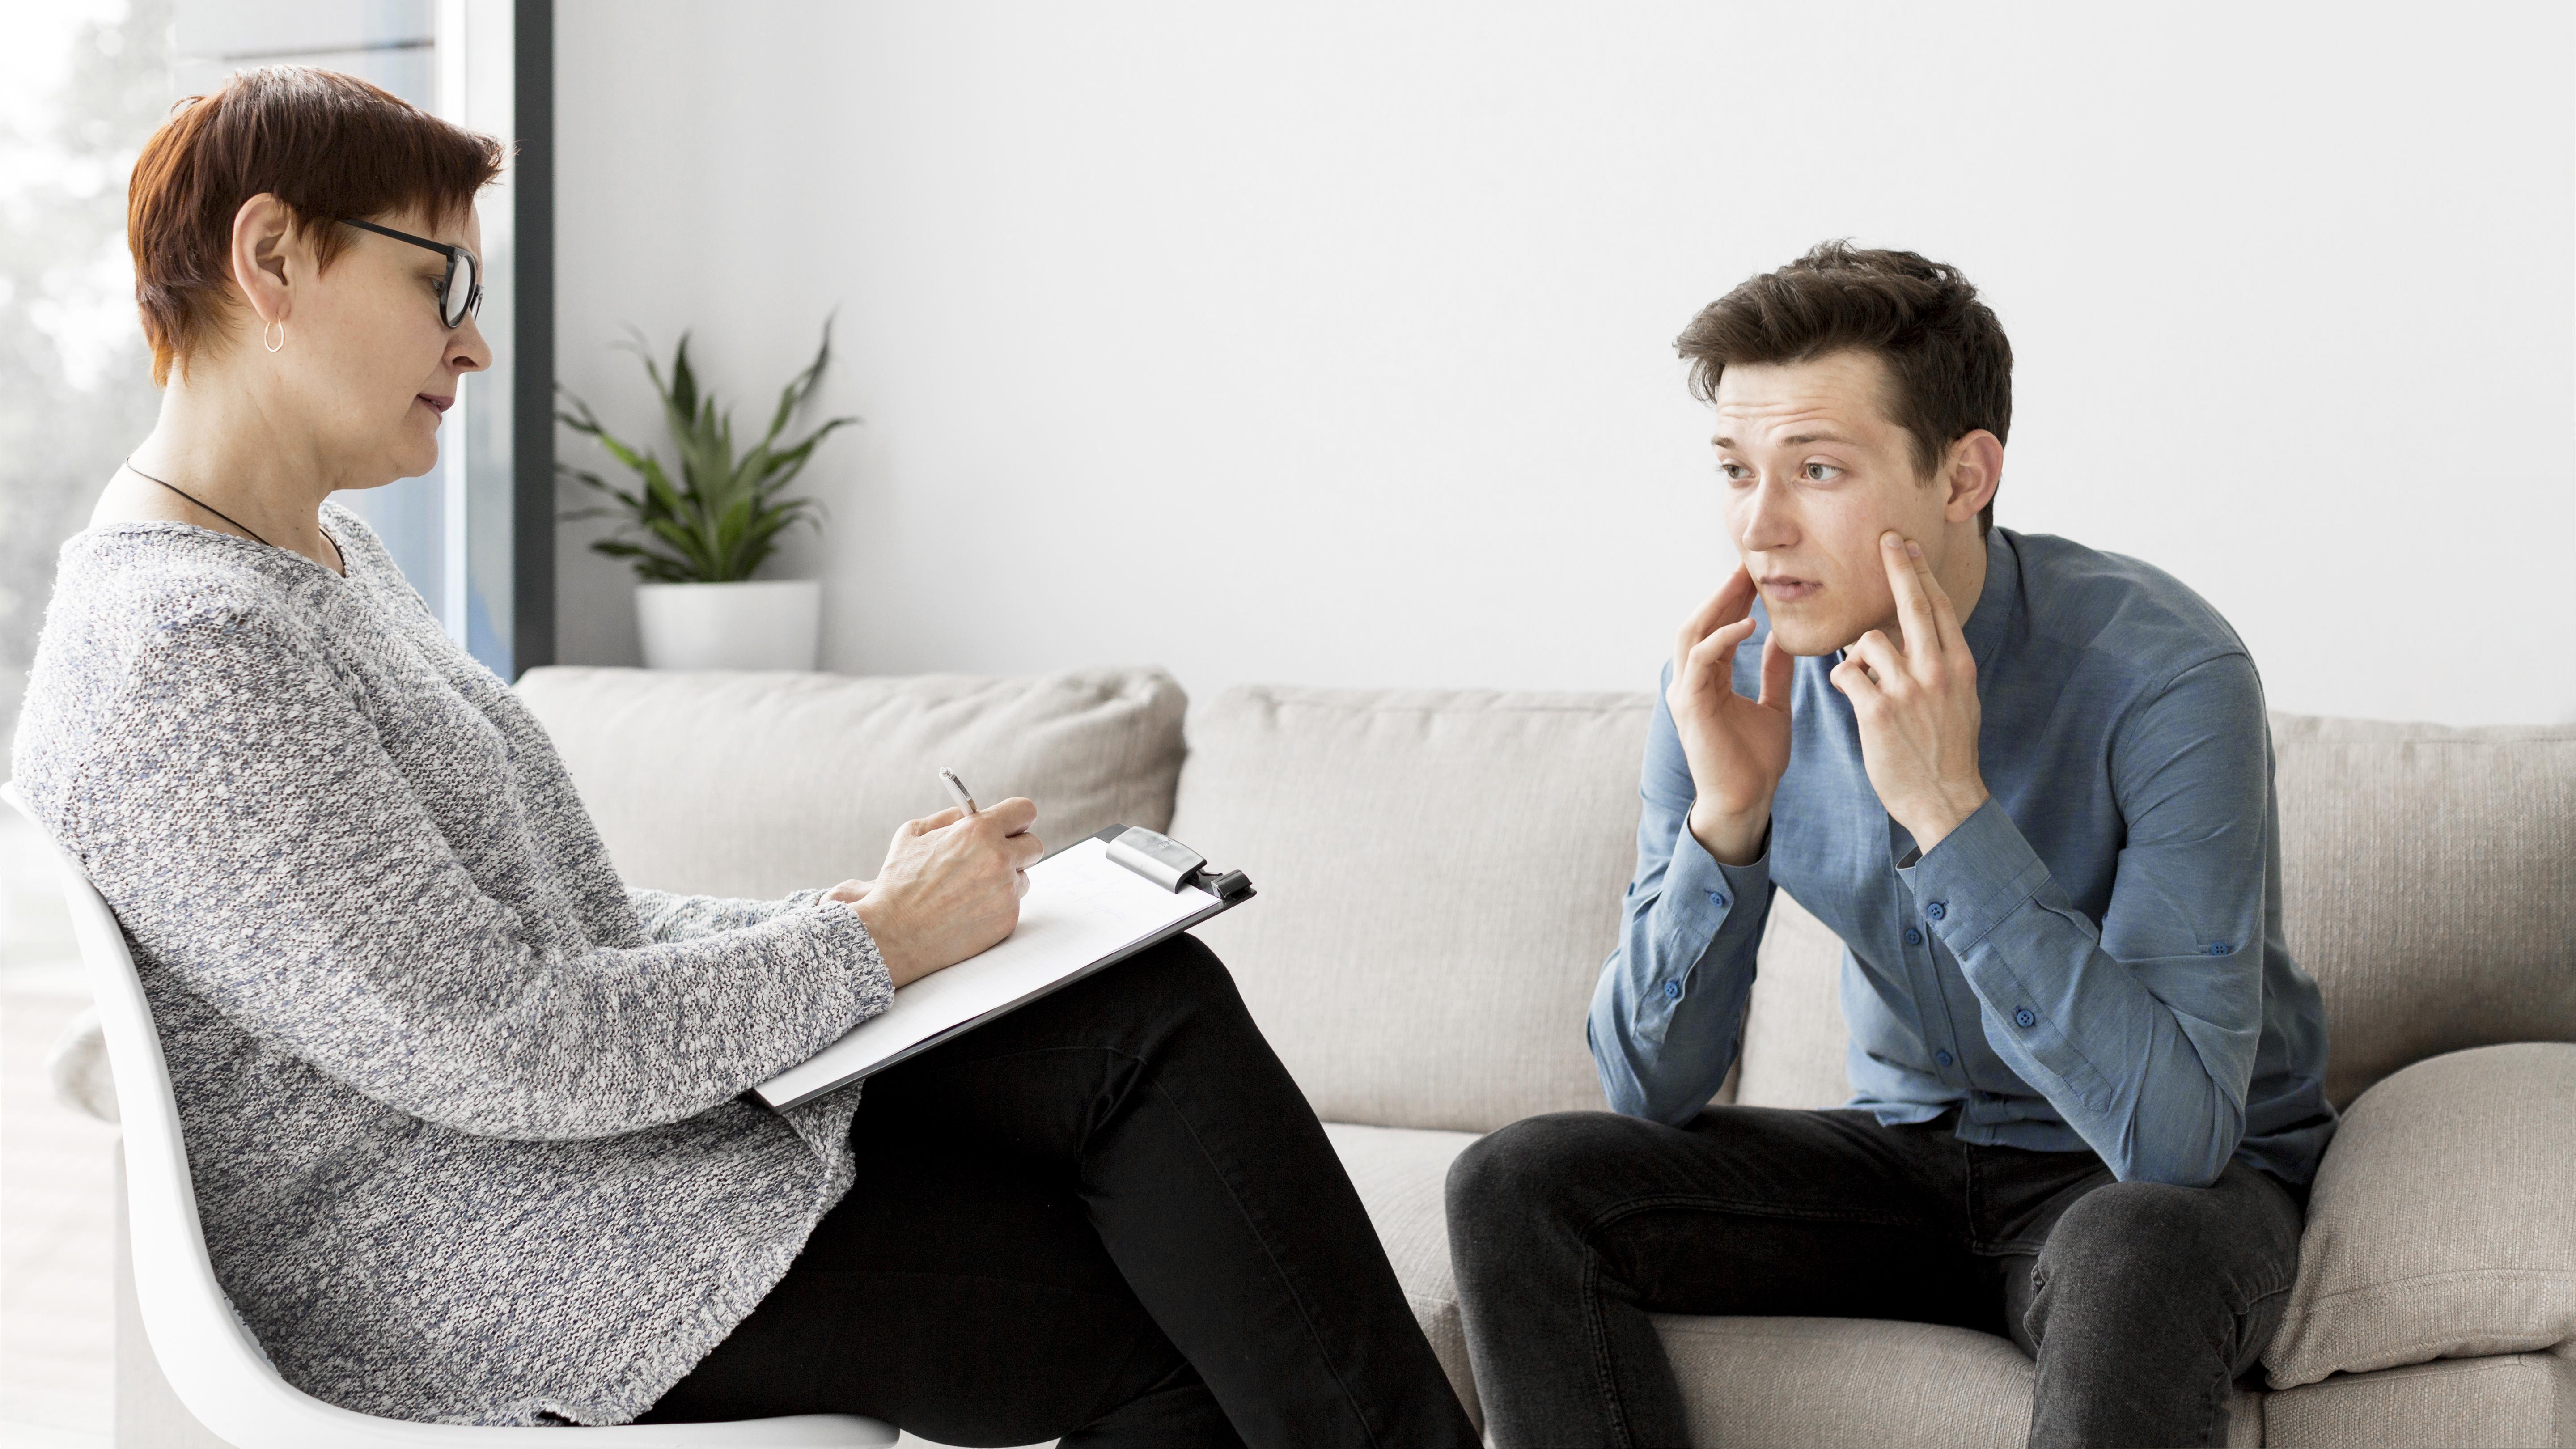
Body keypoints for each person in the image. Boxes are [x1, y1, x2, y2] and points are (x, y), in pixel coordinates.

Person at [10, 66, 1475, 1448]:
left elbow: (569, 940)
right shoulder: (190, 649)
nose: (475, 342)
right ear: (273, 260)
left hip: (564, 1183)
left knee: (1142, 1001)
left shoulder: (312, 568)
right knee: (1173, 1312)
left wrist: (845, 925)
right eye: (437, 281)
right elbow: (502, 1040)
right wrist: (876, 953)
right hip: (498, 1267)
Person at [1445, 242, 2338, 1448]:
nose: (1759, 529)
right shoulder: (1729, 686)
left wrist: (1950, 816)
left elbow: (2174, 1139)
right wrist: (1729, 820)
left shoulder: (2167, 675)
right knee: (1517, 1182)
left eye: (1816, 469)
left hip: (2140, 1187)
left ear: (1964, 475)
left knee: (2138, 1244)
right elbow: (1648, 1089)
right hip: (1906, 1166)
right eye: (1734, 469)